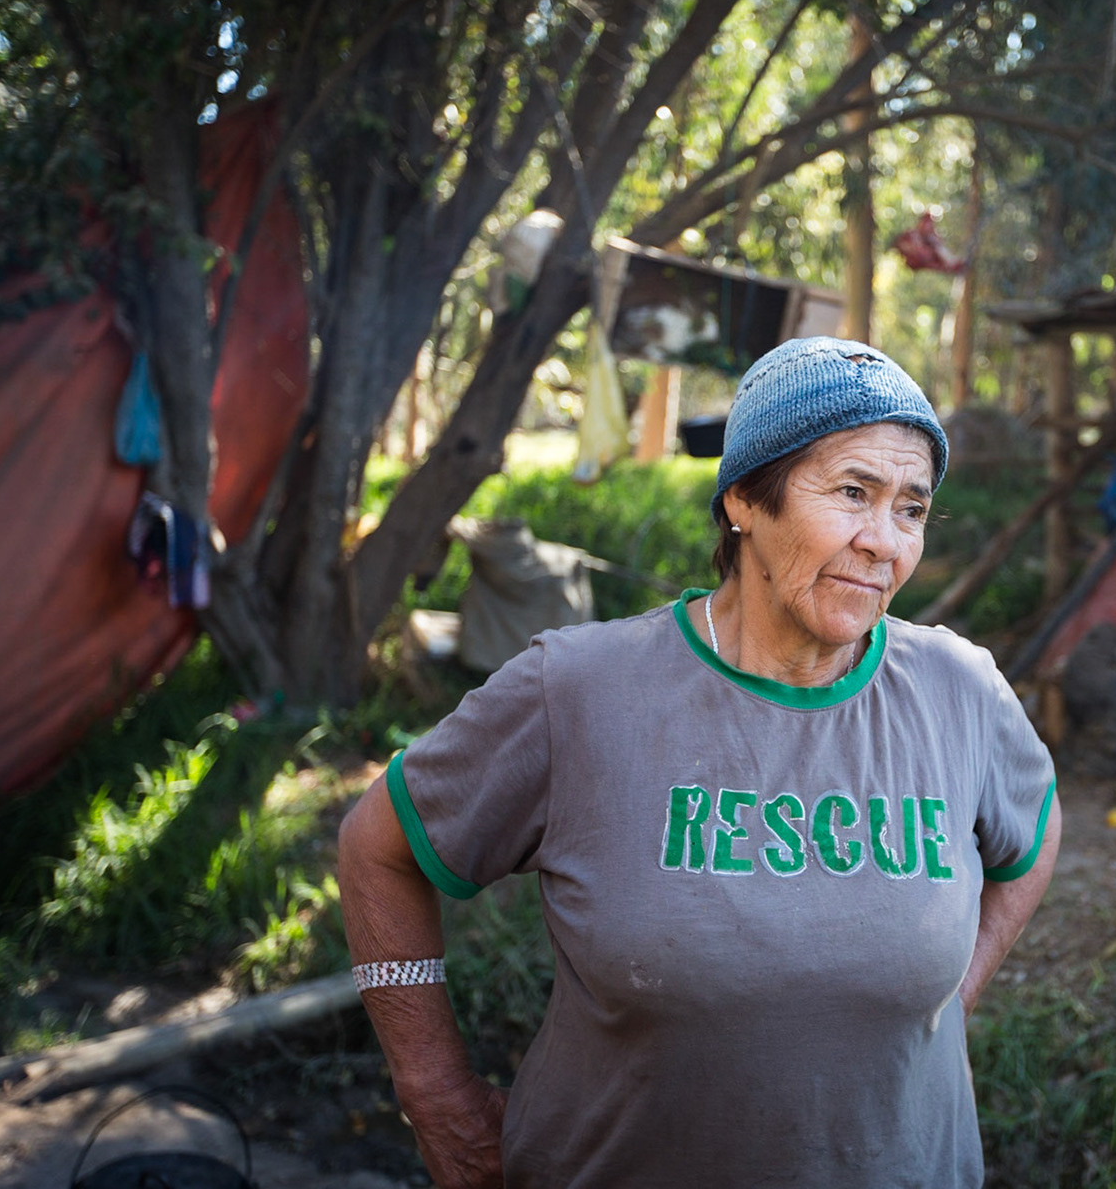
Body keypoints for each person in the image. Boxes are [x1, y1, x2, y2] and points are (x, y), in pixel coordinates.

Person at [337, 336, 1061, 1188]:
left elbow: (1034, 835)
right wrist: (436, 1095)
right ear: (745, 501)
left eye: (911, 507)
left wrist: (945, 1003)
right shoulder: (579, 690)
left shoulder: (959, 690)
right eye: (853, 492)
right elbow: (377, 848)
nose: (884, 542)